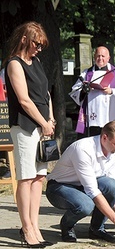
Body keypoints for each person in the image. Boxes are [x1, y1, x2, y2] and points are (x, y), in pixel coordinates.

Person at [4, 21, 55, 248]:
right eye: (37, 43)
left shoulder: (37, 62)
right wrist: (43, 122)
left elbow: (45, 93)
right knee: (25, 178)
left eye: (42, 45)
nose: (39, 48)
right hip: (25, 126)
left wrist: (51, 119)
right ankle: (26, 229)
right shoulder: (14, 64)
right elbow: (24, 100)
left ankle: (35, 226)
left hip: (43, 126)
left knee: (39, 178)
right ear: (25, 39)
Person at [45, 120, 115, 243]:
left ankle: (97, 229)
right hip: (60, 187)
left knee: (112, 186)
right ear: (104, 138)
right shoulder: (83, 149)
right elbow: (93, 191)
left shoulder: (113, 152)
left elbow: (111, 187)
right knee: (85, 205)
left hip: (83, 186)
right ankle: (67, 226)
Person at [70, 46, 115, 137]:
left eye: (103, 56)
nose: (100, 58)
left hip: (109, 114)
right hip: (91, 114)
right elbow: (74, 91)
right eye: (98, 56)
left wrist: (111, 91)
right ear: (94, 57)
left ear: (108, 58)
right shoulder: (86, 73)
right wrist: (84, 90)